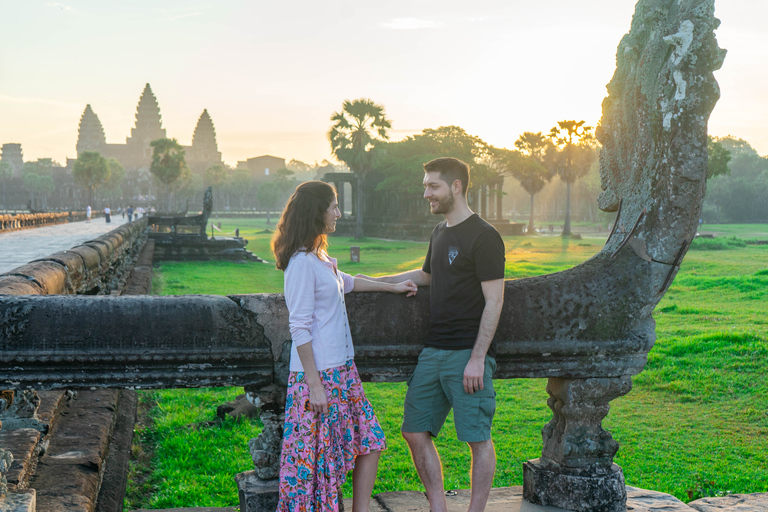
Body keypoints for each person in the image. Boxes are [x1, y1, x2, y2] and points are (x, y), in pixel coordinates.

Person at [356, 157, 505, 512]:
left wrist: (478, 358)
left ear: (456, 186)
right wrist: (368, 283)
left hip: (467, 355)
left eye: (432, 186)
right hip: (433, 350)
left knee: (477, 438)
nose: (426, 193)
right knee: (414, 430)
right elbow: (426, 275)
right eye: (425, 185)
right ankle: (438, 506)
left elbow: (495, 300)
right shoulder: (440, 232)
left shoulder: (485, 236)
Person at [272, 180, 417, 512]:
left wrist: (390, 288)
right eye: (334, 206)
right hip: (319, 376)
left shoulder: (319, 256)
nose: (338, 212)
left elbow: (347, 282)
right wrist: (314, 386)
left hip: (342, 372)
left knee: (370, 442)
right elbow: (299, 326)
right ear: (317, 212)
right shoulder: (300, 264)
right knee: (320, 461)